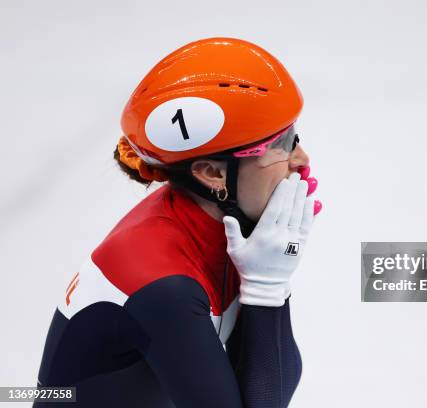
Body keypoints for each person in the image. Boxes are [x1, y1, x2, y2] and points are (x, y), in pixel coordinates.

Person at [34, 37, 321, 408]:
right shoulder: (163, 286)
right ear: (212, 174)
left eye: (294, 135)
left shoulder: (216, 224)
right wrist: (268, 289)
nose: (301, 158)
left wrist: (270, 285)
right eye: (279, 145)